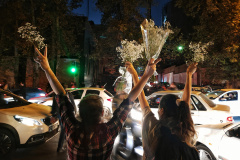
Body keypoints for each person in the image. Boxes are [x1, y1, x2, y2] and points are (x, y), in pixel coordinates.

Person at [34, 46, 160, 160]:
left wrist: (47, 69)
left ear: (80, 111)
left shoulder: (72, 129)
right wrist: (146, 75)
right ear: (101, 112)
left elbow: (61, 94)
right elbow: (130, 100)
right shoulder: (108, 132)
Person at [130, 61, 199, 160]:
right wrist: (189, 75)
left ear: (162, 111)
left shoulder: (154, 129)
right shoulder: (185, 131)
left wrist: (134, 75)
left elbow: (142, 99)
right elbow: (185, 106)